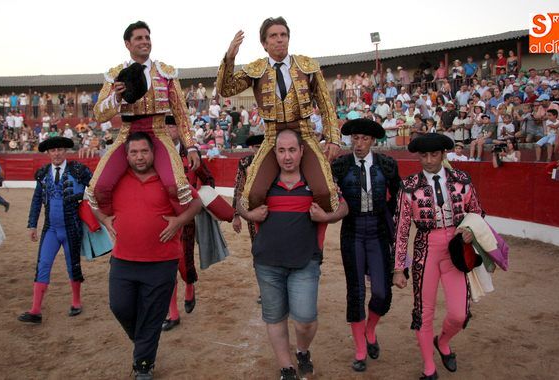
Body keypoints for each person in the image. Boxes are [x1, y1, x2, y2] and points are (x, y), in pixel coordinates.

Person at [238, 129, 348, 380]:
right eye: (281, 150)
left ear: (301, 152)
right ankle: (286, 367)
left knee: (305, 320)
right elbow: (241, 204)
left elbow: (343, 206)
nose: (287, 156)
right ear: (274, 153)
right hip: (267, 262)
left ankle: (302, 350)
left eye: (292, 150)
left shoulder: (316, 182)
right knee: (275, 317)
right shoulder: (263, 183)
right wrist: (249, 215)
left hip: (305, 261)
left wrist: (326, 217)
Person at [96, 132, 201, 379]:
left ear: (153, 153)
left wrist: (179, 221)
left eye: (144, 151)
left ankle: (143, 364)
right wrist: (104, 218)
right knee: (119, 306)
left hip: (161, 261)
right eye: (133, 152)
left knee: (153, 314)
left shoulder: (170, 180)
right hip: (123, 259)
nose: (139, 157)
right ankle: (144, 339)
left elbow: (196, 204)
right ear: (126, 155)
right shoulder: (117, 180)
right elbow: (93, 202)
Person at [217, 16, 341, 214]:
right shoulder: (255, 70)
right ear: (264, 44)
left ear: (289, 39)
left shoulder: (307, 66)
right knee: (253, 195)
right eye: (273, 36)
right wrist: (229, 58)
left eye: (283, 35)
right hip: (272, 136)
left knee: (325, 193)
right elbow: (226, 89)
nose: (279, 39)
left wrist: (333, 139)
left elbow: (326, 105)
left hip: (304, 134)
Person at [392, 133, 484, 380]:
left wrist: (469, 229)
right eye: (424, 155)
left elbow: (477, 212)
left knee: (459, 314)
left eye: (434, 155)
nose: (429, 160)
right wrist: (399, 267)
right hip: (425, 249)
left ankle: (442, 341)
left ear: (443, 155)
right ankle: (429, 368)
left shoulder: (462, 180)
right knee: (424, 311)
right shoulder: (408, 186)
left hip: (456, 249)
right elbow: (401, 229)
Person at [89, 21, 200, 216]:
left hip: (158, 134)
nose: (145, 42)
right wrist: (116, 96)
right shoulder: (115, 76)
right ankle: (117, 226)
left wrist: (190, 146)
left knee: (177, 187)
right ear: (127, 44)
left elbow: (180, 112)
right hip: (126, 135)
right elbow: (99, 114)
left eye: (147, 37)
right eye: (139, 38)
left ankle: (178, 227)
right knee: (98, 189)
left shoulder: (166, 73)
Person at [331, 119, 400, 373]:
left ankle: (370, 329)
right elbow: (327, 195)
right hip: (351, 231)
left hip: (378, 232)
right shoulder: (339, 165)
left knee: (382, 292)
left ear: (373, 141)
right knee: (356, 292)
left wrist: (387, 217)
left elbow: (399, 197)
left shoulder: (387, 165)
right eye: (355, 139)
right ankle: (360, 348)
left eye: (364, 139)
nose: (358, 144)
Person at [19, 137, 93, 324]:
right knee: (42, 264)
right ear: (48, 153)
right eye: (53, 150)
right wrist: (32, 224)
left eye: (60, 149)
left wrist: (82, 196)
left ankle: (76, 302)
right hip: (50, 228)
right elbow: (37, 200)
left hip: (72, 227)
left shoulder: (78, 170)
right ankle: (35, 310)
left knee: (73, 265)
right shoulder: (43, 173)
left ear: (65, 151)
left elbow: (95, 189)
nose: (57, 153)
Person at [161, 116, 215, 331]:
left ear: (179, 129)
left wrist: (201, 200)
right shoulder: (158, 154)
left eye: (172, 125)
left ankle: (190, 285)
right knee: (168, 266)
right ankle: (172, 314)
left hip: (187, 216)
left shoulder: (191, 154)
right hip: (164, 216)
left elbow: (208, 179)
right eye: (165, 125)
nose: (168, 129)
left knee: (183, 262)